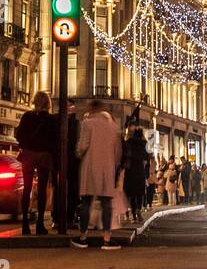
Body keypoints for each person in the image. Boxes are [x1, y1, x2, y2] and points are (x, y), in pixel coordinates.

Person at [70, 100, 124, 250]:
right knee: (106, 203)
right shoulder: (112, 126)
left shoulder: (87, 123)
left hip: (91, 165)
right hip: (107, 167)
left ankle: (83, 237)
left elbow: (83, 146)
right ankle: (107, 238)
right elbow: (118, 151)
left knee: (86, 202)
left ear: (92, 109)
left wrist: (77, 152)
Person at [14, 92, 57, 235]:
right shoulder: (51, 119)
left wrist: (27, 145)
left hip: (29, 154)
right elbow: (54, 139)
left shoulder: (27, 116)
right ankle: (39, 224)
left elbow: (19, 136)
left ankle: (25, 224)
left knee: (27, 189)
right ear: (47, 103)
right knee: (42, 189)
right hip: (44, 155)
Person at [122, 128, 150, 224]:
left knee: (132, 193)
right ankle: (139, 210)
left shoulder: (129, 142)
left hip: (130, 170)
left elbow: (124, 154)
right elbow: (147, 157)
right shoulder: (144, 143)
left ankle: (133, 215)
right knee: (140, 192)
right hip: (140, 170)